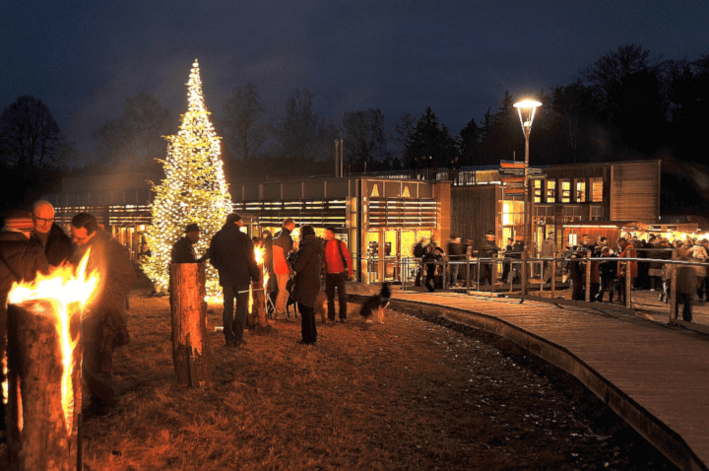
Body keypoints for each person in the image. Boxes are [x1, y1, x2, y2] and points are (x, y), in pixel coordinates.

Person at [71, 212, 136, 416]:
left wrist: (103, 299)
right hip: (88, 312)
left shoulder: (111, 249)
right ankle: (100, 401)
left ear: (93, 232)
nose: (75, 240)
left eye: (80, 237)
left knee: (94, 361)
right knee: (88, 359)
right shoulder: (85, 247)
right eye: (74, 236)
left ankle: (111, 403)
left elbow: (127, 277)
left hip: (103, 315)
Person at [0, 210, 50, 429]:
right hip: (20, 320)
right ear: (25, 230)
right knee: (18, 365)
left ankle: (3, 419)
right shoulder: (32, 250)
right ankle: (20, 419)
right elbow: (44, 286)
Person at [209, 213, 260, 347]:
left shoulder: (218, 237)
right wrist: (255, 274)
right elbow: (250, 258)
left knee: (228, 307)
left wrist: (222, 268)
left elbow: (212, 258)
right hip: (242, 277)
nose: (242, 224)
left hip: (226, 278)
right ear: (236, 223)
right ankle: (238, 336)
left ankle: (228, 337)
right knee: (241, 307)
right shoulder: (242, 237)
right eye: (241, 222)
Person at [292, 225, 323, 345]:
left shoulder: (306, 249)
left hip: (305, 282)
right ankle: (312, 336)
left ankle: (308, 338)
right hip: (313, 281)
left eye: (300, 233)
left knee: (305, 310)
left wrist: (292, 261)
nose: (299, 235)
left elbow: (298, 267)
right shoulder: (316, 247)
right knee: (309, 310)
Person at [30, 200, 73, 268]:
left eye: (50, 220)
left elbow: (72, 265)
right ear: (31, 216)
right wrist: (42, 268)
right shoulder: (22, 239)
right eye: (42, 219)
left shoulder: (64, 241)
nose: (46, 224)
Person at [323, 228, 353, 322]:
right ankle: (332, 316)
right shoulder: (325, 244)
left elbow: (347, 257)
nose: (326, 235)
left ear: (333, 234)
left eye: (328, 233)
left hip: (339, 272)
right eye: (326, 233)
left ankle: (342, 316)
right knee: (330, 296)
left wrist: (350, 272)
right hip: (329, 273)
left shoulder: (340, 244)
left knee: (341, 296)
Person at [272, 218, 296, 320]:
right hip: (284, 267)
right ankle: (280, 312)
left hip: (276, 266)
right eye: (293, 226)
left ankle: (276, 311)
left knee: (281, 290)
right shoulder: (286, 237)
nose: (293, 228)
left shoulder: (276, 235)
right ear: (289, 225)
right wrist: (291, 267)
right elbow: (288, 254)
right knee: (284, 290)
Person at [675, 246, 696, 321]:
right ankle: (674, 317)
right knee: (676, 302)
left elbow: (694, 272)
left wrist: (695, 282)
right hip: (678, 284)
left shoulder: (691, 261)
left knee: (687, 302)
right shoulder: (676, 261)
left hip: (687, 284)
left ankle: (687, 318)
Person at [617, 237, 638, 306]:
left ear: (622, 242)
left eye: (619, 243)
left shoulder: (629, 248)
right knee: (625, 287)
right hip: (627, 269)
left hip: (627, 270)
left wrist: (623, 269)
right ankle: (626, 302)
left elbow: (627, 259)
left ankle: (627, 303)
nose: (619, 245)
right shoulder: (628, 247)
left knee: (626, 287)